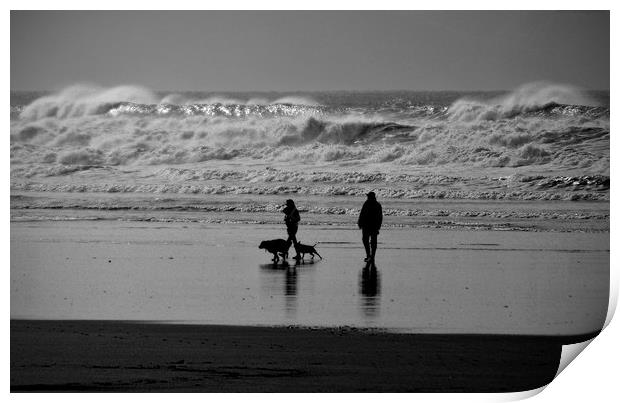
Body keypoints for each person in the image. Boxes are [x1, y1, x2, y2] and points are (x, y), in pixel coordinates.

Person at [357, 192, 383, 262]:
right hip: (372, 226)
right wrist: (378, 226)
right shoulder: (377, 205)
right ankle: (370, 256)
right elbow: (380, 217)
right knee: (372, 241)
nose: (367, 198)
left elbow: (362, 214)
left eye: (368, 196)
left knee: (368, 240)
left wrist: (360, 222)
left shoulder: (368, 204)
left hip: (368, 225)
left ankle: (370, 256)